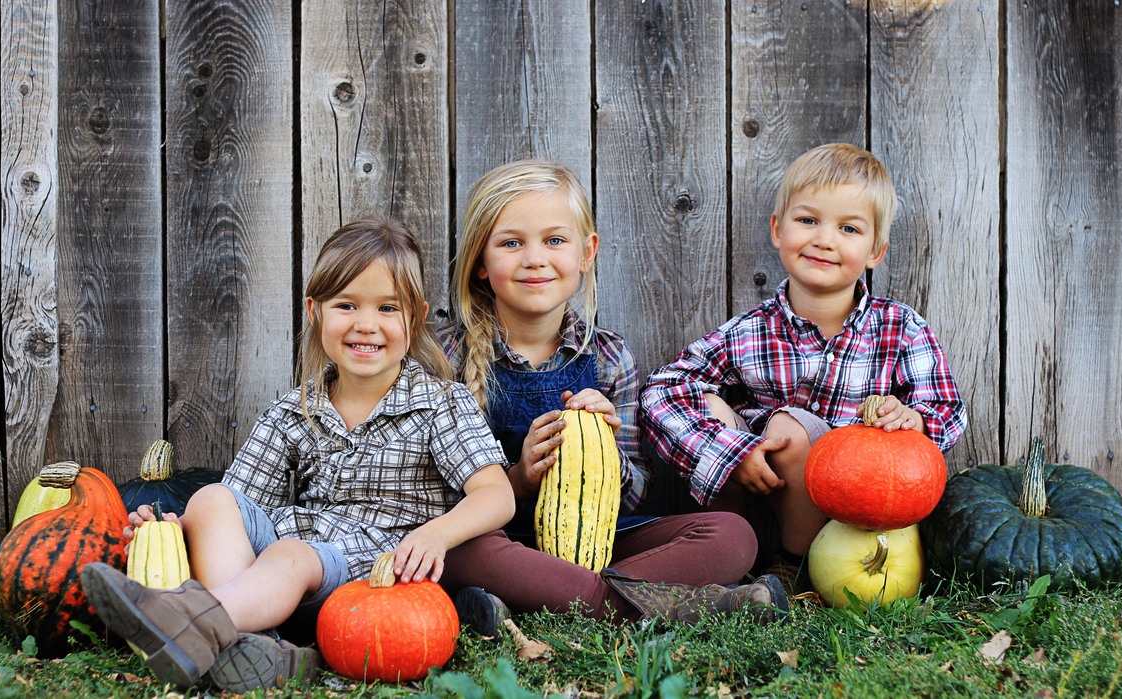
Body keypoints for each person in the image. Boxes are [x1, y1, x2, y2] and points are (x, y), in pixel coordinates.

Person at [80, 218, 515, 692]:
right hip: (283, 562)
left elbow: (496, 496)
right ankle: (253, 643)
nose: (366, 324)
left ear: (415, 316)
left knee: (293, 553)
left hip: (369, 573)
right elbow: (239, 504)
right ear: (315, 311)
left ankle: (198, 618)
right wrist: (172, 530)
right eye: (346, 305)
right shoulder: (295, 410)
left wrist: (436, 536)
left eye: (387, 307)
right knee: (210, 499)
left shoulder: (441, 403)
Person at [436, 158, 788, 635]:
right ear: (480, 261)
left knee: (731, 534)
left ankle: (542, 599)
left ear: (587, 252)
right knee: (460, 550)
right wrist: (518, 479)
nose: (535, 258)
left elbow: (637, 492)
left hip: (600, 539)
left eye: (554, 240)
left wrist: (603, 453)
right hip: (498, 538)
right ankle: (657, 603)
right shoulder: (448, 357)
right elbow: (428, 491)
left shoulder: (608, 357)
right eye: (511, 243)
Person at [639, 143, 968, 591]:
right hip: (759, 497)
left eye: (848, 228)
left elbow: (946, 408)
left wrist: (914, 420)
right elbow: (662, 389)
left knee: (792, 428)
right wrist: (732, 453)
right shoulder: (751, 331)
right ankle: (735, 554)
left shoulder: (899, 327)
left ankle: (796, 570)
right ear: (778, 229)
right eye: (808, 220)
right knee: (710, 403)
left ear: (876, 250)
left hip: (850, 519)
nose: (824, 239)